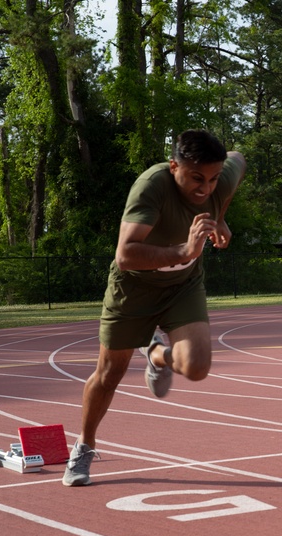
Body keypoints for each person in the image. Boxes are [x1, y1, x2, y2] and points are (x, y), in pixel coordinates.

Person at [64, 129, 246, 486]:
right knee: (109, 374)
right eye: (196, 178)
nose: (204, 189)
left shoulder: (219, 180)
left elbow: (239, 160)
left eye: (212, 179)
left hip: (183, 286)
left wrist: (221, 214)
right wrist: (184, 251)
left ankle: (157, 355)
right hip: (134, 288)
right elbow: (126, 254)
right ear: (173, 165)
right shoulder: (151, 187)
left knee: (196, 367)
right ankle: (84, 445)